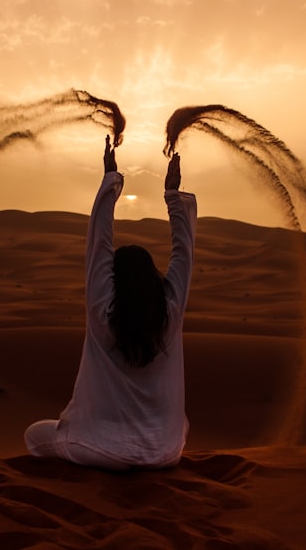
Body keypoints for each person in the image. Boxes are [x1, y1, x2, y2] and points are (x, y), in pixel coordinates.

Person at [23, 135, 197, 470]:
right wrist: (173, 195)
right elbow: (184, 253)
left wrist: (110, 179)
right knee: (182, 425)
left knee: (35, 435)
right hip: (165, 452)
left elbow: (98, 244)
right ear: (153, 279)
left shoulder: (103, 311)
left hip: (97, 449)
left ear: (114, 279)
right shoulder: (170, 313)